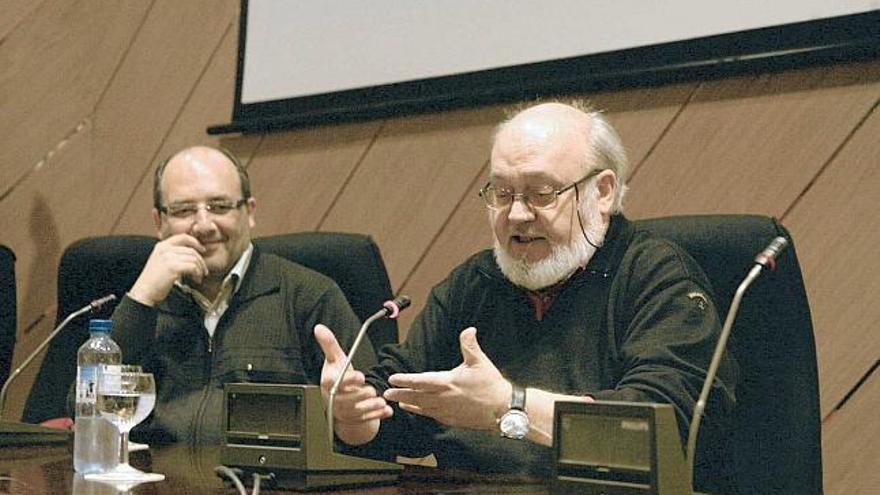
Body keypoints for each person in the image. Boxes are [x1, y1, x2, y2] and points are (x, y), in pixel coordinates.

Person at [315, 101, 737, 490]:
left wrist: (508, 407)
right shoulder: (475, 284)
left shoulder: (657, 275)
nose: (516, 215)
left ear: (602, 192)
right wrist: (356, 415)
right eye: (501, 194)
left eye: (541, 193)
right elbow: (402, 400)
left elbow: (656, 430)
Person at [110, 145, 376, 444]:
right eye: (184, 210)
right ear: (160, 223)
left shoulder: (309, 296)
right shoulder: (145, 303)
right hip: (156, 484)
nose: (203, 225)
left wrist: (345, 417)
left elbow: (373, 426)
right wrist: (140, 299)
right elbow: (87, 413)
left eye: (220, 206)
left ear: (249, 212)